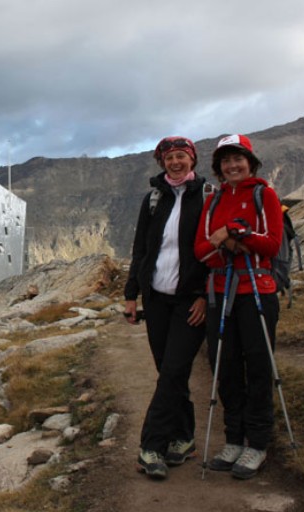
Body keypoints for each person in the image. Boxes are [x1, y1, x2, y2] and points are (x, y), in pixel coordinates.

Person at [194, 134, 283, 480]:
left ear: (250, 162)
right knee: (224, 365)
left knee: (259, 365)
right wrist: (234, 241)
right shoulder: (213, 201)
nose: (233, 166)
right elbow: (201, 249)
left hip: (257, 290)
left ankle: (257, 442)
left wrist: (230, 233)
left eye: (238, 159)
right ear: (219, 168)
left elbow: (272, 244)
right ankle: (234, 438)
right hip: (220, 292)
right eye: (226, 161)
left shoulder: (265, 195)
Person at [124, 136, 209, 479]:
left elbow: (213, 254)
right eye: (169, 157)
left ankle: (152, 447)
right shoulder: (153, 199)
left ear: (192, 160)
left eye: (181, 156)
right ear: (162, 163)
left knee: (174, 370)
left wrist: (205, 294)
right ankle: (184, 437)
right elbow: (140, 250)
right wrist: (131, 295)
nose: (175, 162)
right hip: (155, 298)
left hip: (191, 301)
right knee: (170, 373)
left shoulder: (207, 197)